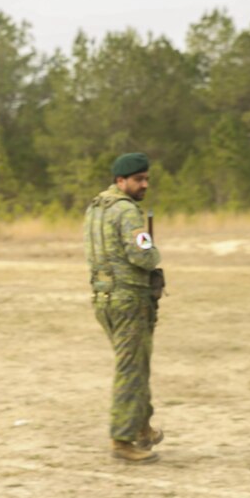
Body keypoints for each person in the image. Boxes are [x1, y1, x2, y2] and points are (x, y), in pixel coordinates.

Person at [84, 152, 165, 464]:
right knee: (131, 368)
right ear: (121, 181)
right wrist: (154, 252)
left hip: (104, 298)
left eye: (146, 178)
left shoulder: (95, 207)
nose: (145, 184)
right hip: (129, 299)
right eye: (138, 179)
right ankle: (122, 438)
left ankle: (141, 427)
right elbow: (143, 256)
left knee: (136, 364)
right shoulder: (127, 212)